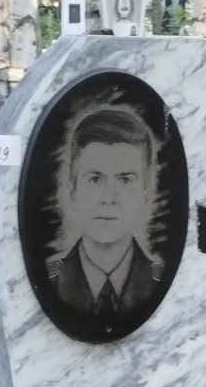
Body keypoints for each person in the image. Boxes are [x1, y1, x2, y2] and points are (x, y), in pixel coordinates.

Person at [46, 102, 165, 338]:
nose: (109, 198)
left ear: (145, 192)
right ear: (72, 190)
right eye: (95, 179)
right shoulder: (50, 282)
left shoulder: (161, 282)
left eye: (125, 179)